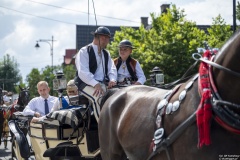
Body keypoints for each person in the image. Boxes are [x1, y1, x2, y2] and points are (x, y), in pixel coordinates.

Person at [75, 26, 117, 122]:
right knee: (98, 98)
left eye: (108, 38)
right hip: (85, 84)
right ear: (99, 37)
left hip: (102, 84)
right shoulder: (84, 51)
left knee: (117, 95)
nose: (107, 41)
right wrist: (95, 84)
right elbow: (83, 71)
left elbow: (112, 69)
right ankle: (103, 126)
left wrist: (112, 80)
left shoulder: (106, 53)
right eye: (105, 38)